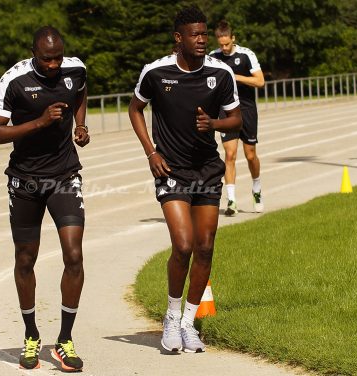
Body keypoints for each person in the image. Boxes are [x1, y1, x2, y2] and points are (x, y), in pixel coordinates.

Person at [128, 5, 241, 353]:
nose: (203, 40)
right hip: (171, 169)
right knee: (183, 244)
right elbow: (135, 109)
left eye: (205, 34)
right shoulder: (156, 72)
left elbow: (235, 119)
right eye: (196, 34)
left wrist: (215, 125)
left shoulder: (221, 73)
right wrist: (151, 152)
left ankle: (190, 325)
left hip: (207, 168)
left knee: (205, 248)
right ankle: (172, 317)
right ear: (179, 39)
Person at [0, 26, 89, 372]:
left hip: (64, 176)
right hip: (25, 180)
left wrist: (80, 125)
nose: (54, 64)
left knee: (74, 255)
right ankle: (31, 335)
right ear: (33, 53)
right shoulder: (14, 81)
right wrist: (40, 122)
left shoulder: (75, 70)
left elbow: (81, 92)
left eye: (58, 56)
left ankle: (64, 339)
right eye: (47, 59)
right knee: (26, 259)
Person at [209, 21, 265, 216]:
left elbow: (260, 81)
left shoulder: (246, 55)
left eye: (227, 44)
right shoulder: (213, 58)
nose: (224, 48)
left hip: (247, 109)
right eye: (221, 44)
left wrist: (234, 76)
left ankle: (256, 188)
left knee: (250, 155)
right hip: (226, 111)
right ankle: (231, 201)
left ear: (233, 38)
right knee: (230, 154)